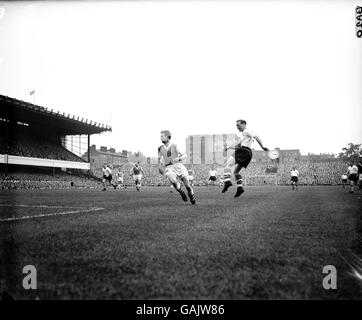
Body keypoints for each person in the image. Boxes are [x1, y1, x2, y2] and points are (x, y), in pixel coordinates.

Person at [222, 119, 269, 197]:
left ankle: (227, 182)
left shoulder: (247, 131)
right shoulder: (243, 136)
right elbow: (238, 146)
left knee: (227, 164)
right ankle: (240, 188)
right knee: (235, 172)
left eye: (238, 125)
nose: (237, 127)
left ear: (243, 124)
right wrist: (229, 147)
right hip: (248, 154)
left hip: (244, 151)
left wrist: (263, 147)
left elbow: (256, 136)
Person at [158, 130, 196, 204]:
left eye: (162, 136)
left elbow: (185, 155)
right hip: (169, 167)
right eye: (160, 136)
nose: (160, 138)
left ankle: (191, 196)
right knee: (173, 182)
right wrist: (160, 166)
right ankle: (182, 192)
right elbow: (162, 158)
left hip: (179, 166)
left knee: (188, 186)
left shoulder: (174, 145)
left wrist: (179, 158)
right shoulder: (160, 148)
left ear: (168, 137)